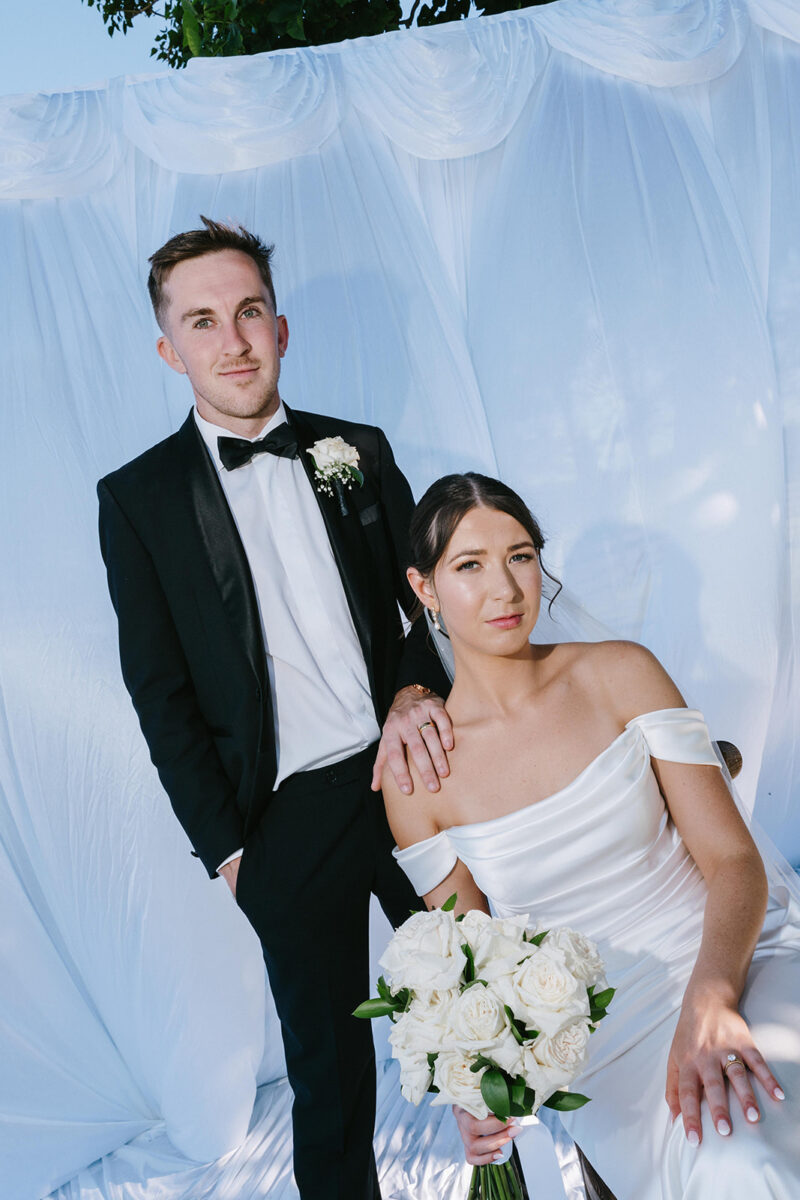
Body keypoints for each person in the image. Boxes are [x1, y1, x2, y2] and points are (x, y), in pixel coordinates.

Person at [96, 216, 453, 1200]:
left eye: (249, 311)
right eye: (203, 322)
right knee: (329, 1084)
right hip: (283, 824)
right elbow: (159, 694)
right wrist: (230, 853)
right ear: (169, 350)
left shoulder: (354, 450)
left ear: (281, 328)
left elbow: (426, 608)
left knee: (491, 1001)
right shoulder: (138, 500)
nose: (234, 340)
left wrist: (415, 690)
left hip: (409, 777)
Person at [382, 471, 800, 1199]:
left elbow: (734, 859)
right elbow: (467, 968)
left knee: (748, 1156)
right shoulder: (422, 780)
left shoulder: (621, 673)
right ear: (425, 589)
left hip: (729, 960)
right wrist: (471, 1090)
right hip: (601, 1042)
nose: (505, 589)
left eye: (519, 556)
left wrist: (711, 995)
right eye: (470, 565)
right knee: (720, 1165)